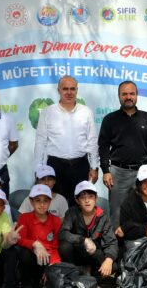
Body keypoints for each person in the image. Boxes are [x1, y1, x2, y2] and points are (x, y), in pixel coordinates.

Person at [99, 80, 147, 229]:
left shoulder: (146, 118)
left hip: (142, 173)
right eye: (124, 94)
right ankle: (116, 248)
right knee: (117, 212)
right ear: (119, 96)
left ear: (137, 95)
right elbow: (104, 146)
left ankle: (140, 245)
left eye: (131, 93)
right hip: (118, 173)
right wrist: (106, 171)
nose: (128, 97)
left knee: (142, 210)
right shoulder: (110, 119)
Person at [35, 76, 100, 206]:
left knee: (80, 206)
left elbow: (92, 141)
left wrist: (94, 167)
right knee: (56, 206)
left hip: (81, 166)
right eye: (65, 89)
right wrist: (38, 170)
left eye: (72, 89)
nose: (69, 92)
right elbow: (40, 142)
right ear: (58, 90)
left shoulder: (86, 112)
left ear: (77, 90)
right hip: (55, 167)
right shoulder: (47, 112)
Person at [58, 181, 117, 278]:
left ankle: (90, 276)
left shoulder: (102, 216)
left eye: (90, 197)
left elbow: (111, 242)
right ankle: (74, 273)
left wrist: (109, 259)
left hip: (94, 253)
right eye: (82, 197)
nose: (87, 201)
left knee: (113, 266)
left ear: (96, 198)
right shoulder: (72, 212)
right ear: (77, 201)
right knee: (64, 246)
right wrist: (83, 240)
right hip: (77, 253)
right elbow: (63, 233)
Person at [16, 184, 62, 288]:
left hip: (48, 260)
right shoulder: (24, 217)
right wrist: (35, 244)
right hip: (31, 258)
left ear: (50, 202)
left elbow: (56, 246)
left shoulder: (56, 220)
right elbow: (21, 240)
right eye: (37, 200)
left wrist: (51, 267)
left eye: (45, 200)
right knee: (24, 253)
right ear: (31, 202)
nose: (42, 204)